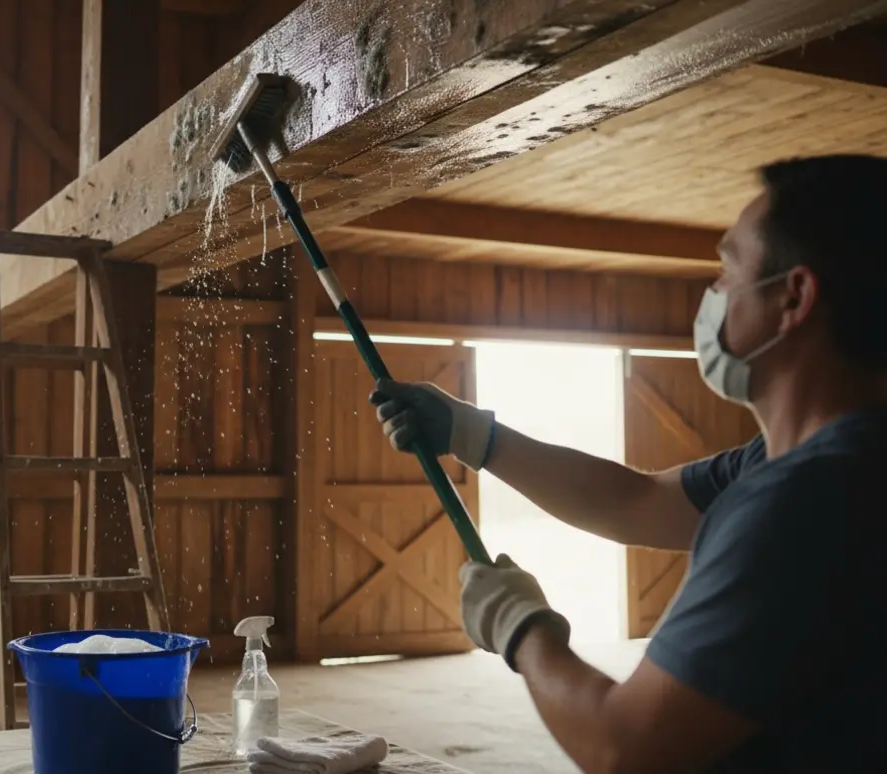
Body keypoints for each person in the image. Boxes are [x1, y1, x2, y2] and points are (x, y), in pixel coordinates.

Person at [369, 154, 887, 773]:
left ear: (795, 296)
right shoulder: (812, 458)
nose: (714, 294)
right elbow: (633, 500)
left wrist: (521, 628)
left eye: (728, 267)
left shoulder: (805, 500)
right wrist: (472, 433)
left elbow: (626, 747)